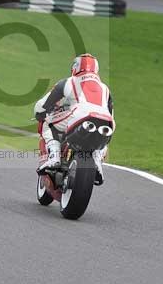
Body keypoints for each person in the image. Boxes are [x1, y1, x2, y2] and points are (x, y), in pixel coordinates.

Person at [33, 53, 114, 186]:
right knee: (105, 137)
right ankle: (97, 162)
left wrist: (40, 114)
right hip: (106, 121)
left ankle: (54, 156)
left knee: (48, 123)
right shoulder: (105, 89)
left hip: (79, 115)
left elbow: (42, 107)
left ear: (75, 67)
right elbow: (111, 113)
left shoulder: (68, 82)